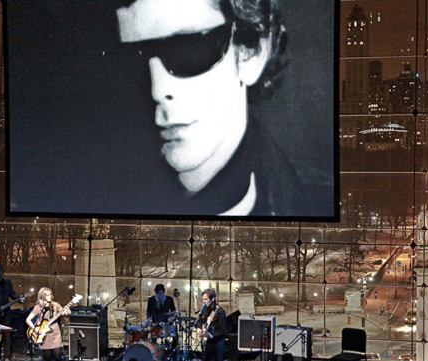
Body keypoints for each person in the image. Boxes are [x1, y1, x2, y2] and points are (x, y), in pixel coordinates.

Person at [113, 0, 333, 216]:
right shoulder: (101, 192)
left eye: (189, 48)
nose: (158, 90)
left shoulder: (324, 203)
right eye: (133, 58)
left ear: (251, 52)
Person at [26, 287, 71, 361]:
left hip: (55, 335)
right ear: (42, 296)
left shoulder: (55, 305)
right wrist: (35, 328)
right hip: (44, 336)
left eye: (50, 294)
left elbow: (64, 313)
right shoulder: (38, 307)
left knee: (58, 360)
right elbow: (28, 320)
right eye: (47, 295)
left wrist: (66, 312)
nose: (50, 296)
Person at [196, 288, 227, 361]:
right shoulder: (204, 309)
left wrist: (211, 335)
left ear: (212, 299)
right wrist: (199, 328)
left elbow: (222, 330)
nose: (204, 301)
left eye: (206, 299)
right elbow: (200, 320)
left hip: (217, 342)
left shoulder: (220, 311)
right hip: (208, 342)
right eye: (203, 299)